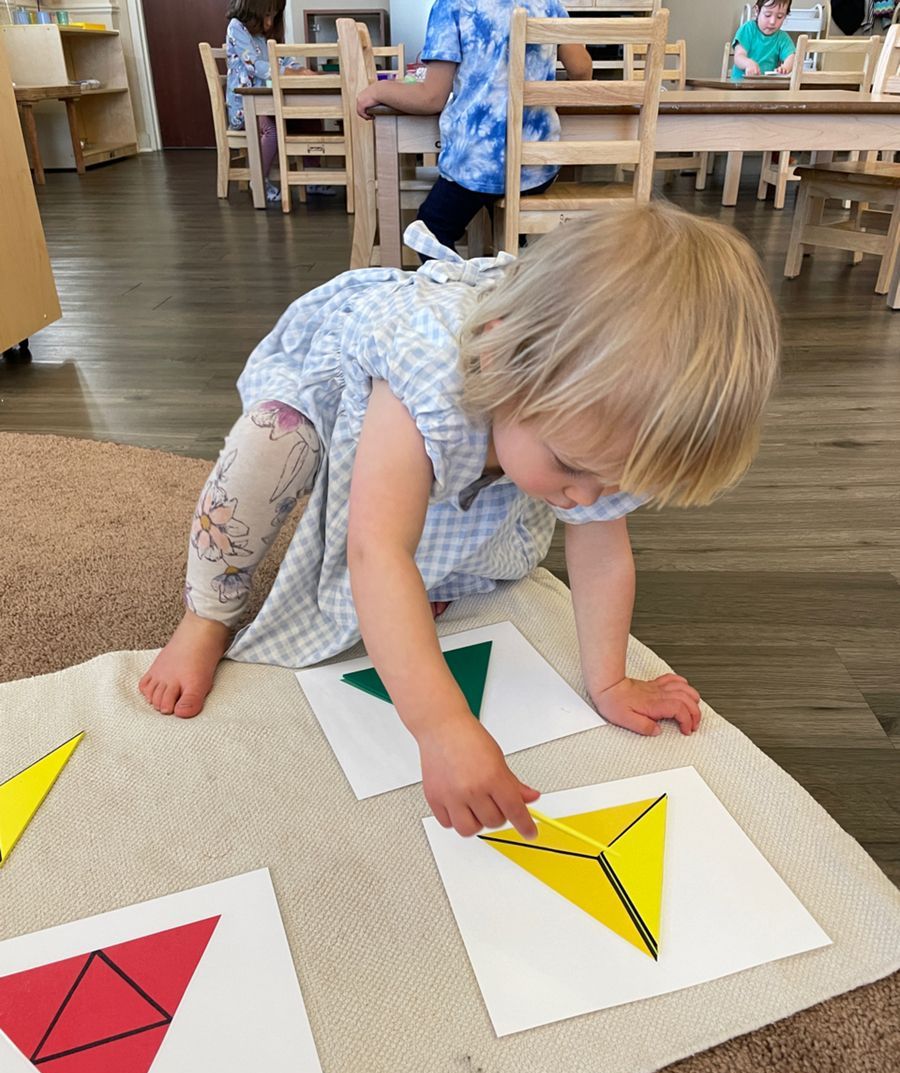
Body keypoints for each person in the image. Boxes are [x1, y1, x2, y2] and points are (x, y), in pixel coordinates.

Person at [139, 204, 779, 842]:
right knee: (269, 453)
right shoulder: (427, 373)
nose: (587, 500)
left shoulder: (588, 433)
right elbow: (376, 550)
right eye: (573, 467)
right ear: (500, 364)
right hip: (325, 393)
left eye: (617, 483)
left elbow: (603, 552)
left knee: (481, 503)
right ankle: (206, 614)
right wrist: (443, 727)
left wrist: (608, 680)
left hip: (486, 413)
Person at [356, 0, 593, 249]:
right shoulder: (549, 3)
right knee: (505, 210)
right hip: (536, 168)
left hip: (477, 163)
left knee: (429, 232)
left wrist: (380, 89)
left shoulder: (452, 5)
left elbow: (431, 98)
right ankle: (513, 253)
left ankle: (465, 283)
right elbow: (580, 68)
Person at [225, 1, 323, 203]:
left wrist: (301, 70)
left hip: (272, 102)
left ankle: (313, 177)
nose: (269, 22)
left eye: (275, 15)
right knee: (270, 129)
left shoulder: (266, 34)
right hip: (245, 106)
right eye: (267, 14)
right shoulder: (237, 27)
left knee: (310, 116)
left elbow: (285, 60)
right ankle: (258, 181)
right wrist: (291, 72)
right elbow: (255, 65)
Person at [732, 1, 797, 80]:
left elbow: (791, 58)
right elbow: (738, 57)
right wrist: (748, 63)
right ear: (757, 11)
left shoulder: (782, 38)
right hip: (740, 86)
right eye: (767, 15)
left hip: (765, 87)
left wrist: (785, 68)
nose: (773, 22)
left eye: (779, 17)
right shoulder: (748, 29)